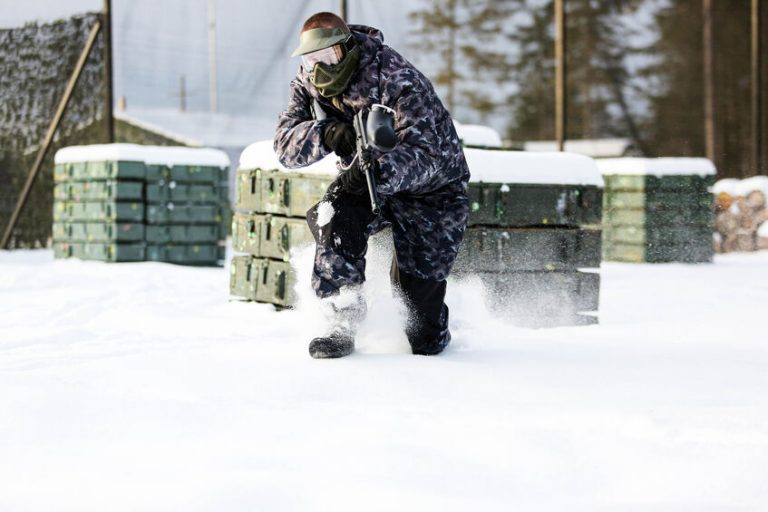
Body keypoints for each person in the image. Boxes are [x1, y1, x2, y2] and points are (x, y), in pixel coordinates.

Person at [274, 12, 470, 359]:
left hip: (432, 193)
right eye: (310, 59)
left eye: (328, 57)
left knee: (422, 331)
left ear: (347, 49)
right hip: (364, 179)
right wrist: (326, 133)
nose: (319, 68)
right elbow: (285, 147)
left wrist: (377, 174)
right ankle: (340, 322)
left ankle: (433, 330)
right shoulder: (307, 82)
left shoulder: (396, 78)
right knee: (335, 215)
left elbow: (427, 154)